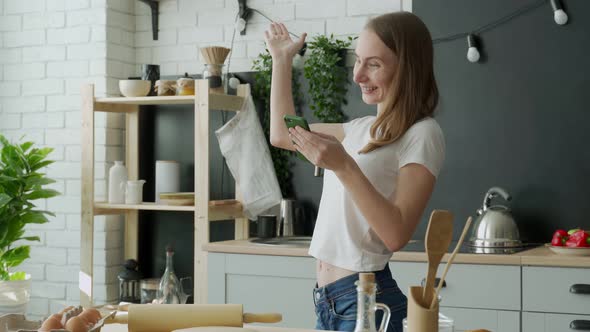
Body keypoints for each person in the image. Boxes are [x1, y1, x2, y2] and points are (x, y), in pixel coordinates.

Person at [264, 11, 445, 332]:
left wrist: (343, 165)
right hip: (328, 301)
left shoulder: (422, 133)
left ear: (408, 68)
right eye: (358, 61)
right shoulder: (357, 129)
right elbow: (281, 133)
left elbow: (397, 234)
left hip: (367, 301)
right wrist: (281, 60)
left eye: (373, 64)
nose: (357, 75)